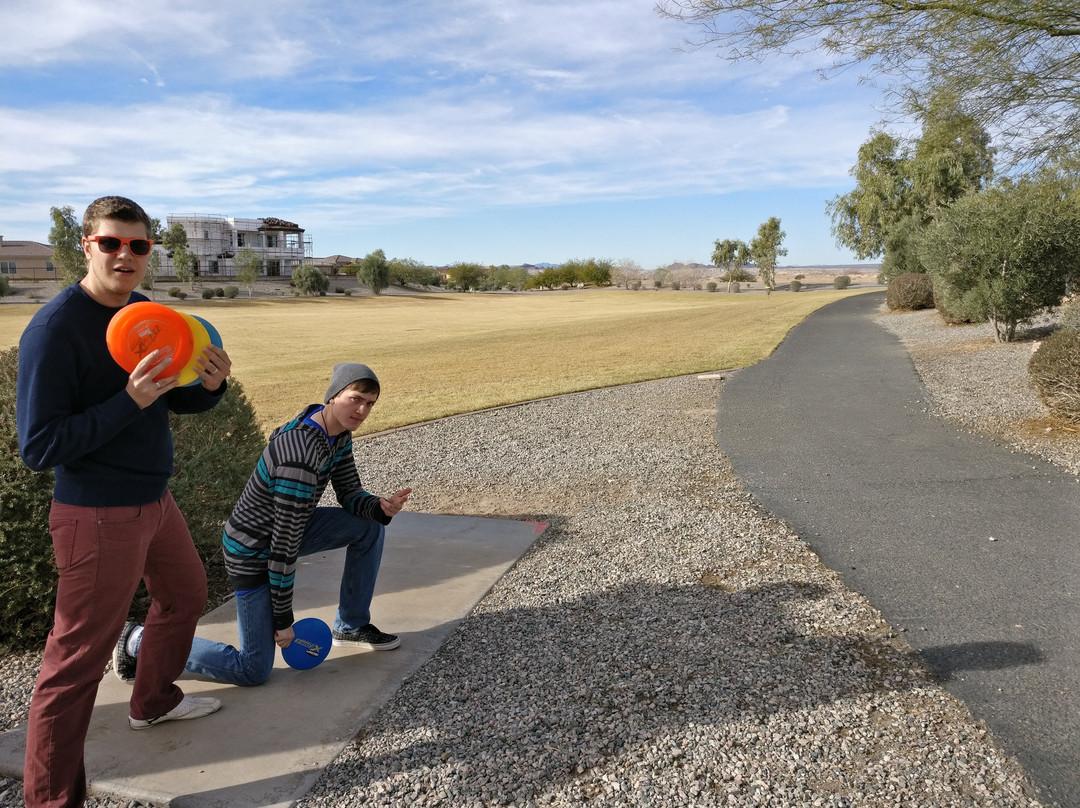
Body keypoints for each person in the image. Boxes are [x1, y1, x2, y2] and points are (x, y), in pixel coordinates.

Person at [15, 196, 233, 808]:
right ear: (86, 246)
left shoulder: (144, 315)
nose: (125, 255)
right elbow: (39, 445)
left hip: (153, 500)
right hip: (96, 514)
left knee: (185, 594)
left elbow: (170, 395)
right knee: (74, 667)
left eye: (138, 245)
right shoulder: (55, 330)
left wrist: (211, 385)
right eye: (111, 243)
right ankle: (50, 800)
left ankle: (153, 702)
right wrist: (127, 402)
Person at [113, 362, 411, 688]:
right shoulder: (300, 456)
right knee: (252, 669)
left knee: (370, 526)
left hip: (288, 528)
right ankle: (138, 640)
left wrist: (378, 507)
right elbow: (283, 548)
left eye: (369, 403)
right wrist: (283, 619)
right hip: (252, 550)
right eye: (355, 399)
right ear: (333, 396)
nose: (362, 410)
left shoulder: (336, 433)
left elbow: (350, 493)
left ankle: (351, 626)